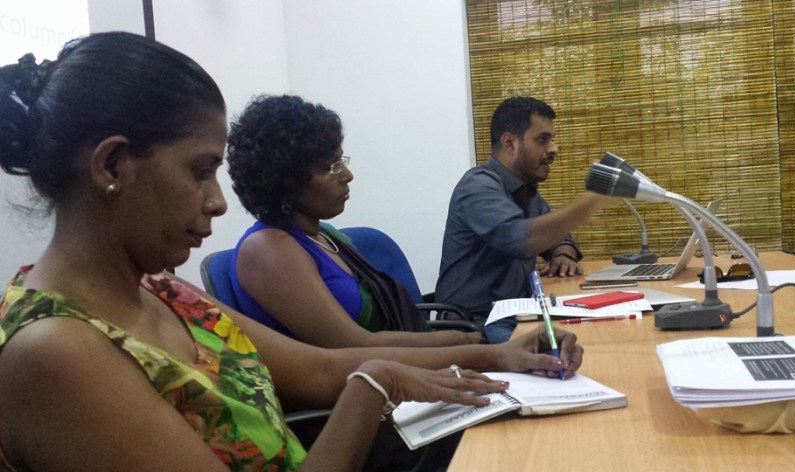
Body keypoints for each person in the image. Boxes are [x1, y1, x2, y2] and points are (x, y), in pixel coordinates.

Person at [0, 33, 583, 472]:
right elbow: (354, 367)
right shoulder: (53, 351)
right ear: (111, 165)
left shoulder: (163, 291)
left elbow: (323, 367)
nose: (218, 202)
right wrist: (376, 384)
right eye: (200, 171)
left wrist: (496, 356)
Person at [227, 94, 483, 348]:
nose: (347, 175)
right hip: (348, 382)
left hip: (387, 368)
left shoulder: (324, 234)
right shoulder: (267, 249)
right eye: (330, 166)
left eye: (341, 161)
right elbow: (355, 346)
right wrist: (468, 344)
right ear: (285, 180)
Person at [436, 96, 609, 344]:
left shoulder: (525, 190)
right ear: (510, 143)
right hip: (476, 325)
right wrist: (593, 198)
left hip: (517, 313)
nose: (553, 149)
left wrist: (563, 255)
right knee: (579, 351)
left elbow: (557, 236)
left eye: (552, 139)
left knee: (594, 335)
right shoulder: (477, 187)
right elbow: (522, 239)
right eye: (542, 139)